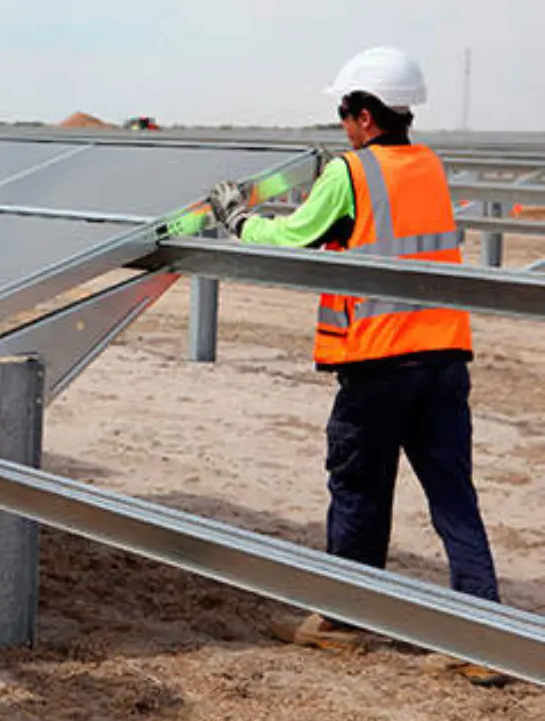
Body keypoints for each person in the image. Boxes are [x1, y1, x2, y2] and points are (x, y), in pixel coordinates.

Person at [208, 48, 507, 687]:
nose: (342, 124)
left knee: (358, 488)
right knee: (453, 492)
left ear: (367, 117)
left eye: (345, 113)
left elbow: (296, 238)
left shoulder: (352, 172)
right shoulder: (429, 163)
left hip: (380, 360)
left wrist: (241, 224)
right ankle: (485, 636)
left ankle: (343, 621)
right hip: (445, 352)